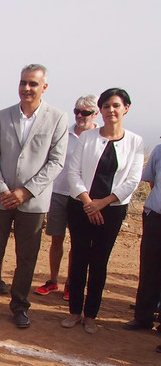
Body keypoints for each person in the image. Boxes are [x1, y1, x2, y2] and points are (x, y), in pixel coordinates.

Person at [0, 64, 67, 329]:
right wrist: (1, 189)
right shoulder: (4, 116)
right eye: (23, 82)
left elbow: (56, 162)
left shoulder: (57, 118)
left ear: (43, 87)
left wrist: (25, 192)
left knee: (26, 257)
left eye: (33, 84)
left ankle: (20, 306)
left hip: (32, 202)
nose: (27, 88)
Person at [62, 88, 144, 334]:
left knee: (99, 261)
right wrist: (89, 202)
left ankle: (91, 315)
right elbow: (73, 173)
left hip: (112, 210)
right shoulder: (87, 138)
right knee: (78, 258)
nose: (111, 110)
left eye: (116, 106)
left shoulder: (135, 142)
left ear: (126, 108)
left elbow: (132, 180)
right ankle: (75, 312)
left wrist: (102, 203)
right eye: (106, 106)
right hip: (80, 207)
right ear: (101, 110)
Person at [34, 95, 99, 301]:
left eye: (85, 112)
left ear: (95, 114)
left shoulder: (98, 137)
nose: (80, 116)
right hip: (58, 193)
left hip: (83, 197)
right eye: (77, 111)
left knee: (78, 243)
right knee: (56, 239)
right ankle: (53, 280)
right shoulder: (65, 132)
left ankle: (72, 283)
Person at [124, 136, 161, 335]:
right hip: (156, 217)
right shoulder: (158, 150)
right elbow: (152, 182)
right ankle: (143, 317)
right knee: (150, 268)